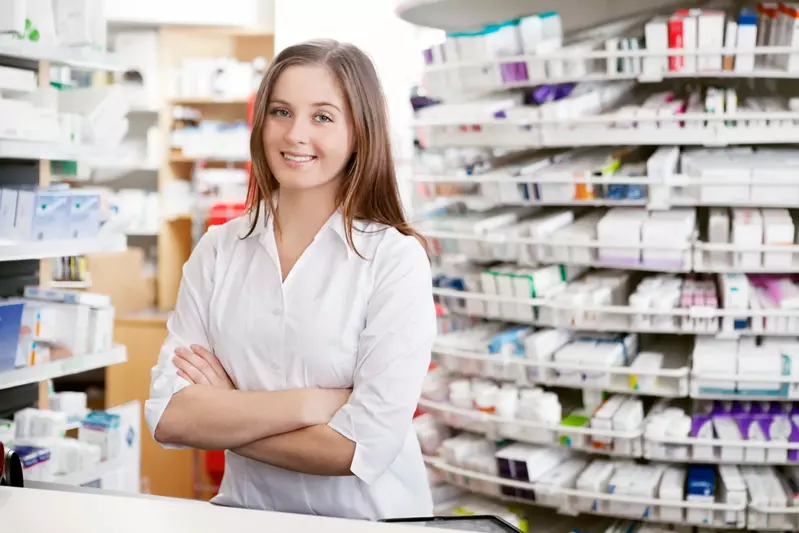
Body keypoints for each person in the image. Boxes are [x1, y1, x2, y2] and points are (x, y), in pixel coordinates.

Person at [144, 39, 436, 520]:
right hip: (244, 516)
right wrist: (314, 405)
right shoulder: (219, 250)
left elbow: (360, 449)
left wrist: (228, 411)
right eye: (281, 111)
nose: (296, 134)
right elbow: (172, 418)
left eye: (323, 117)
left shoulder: (394, 259)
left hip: (368, 522)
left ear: (359, 133)